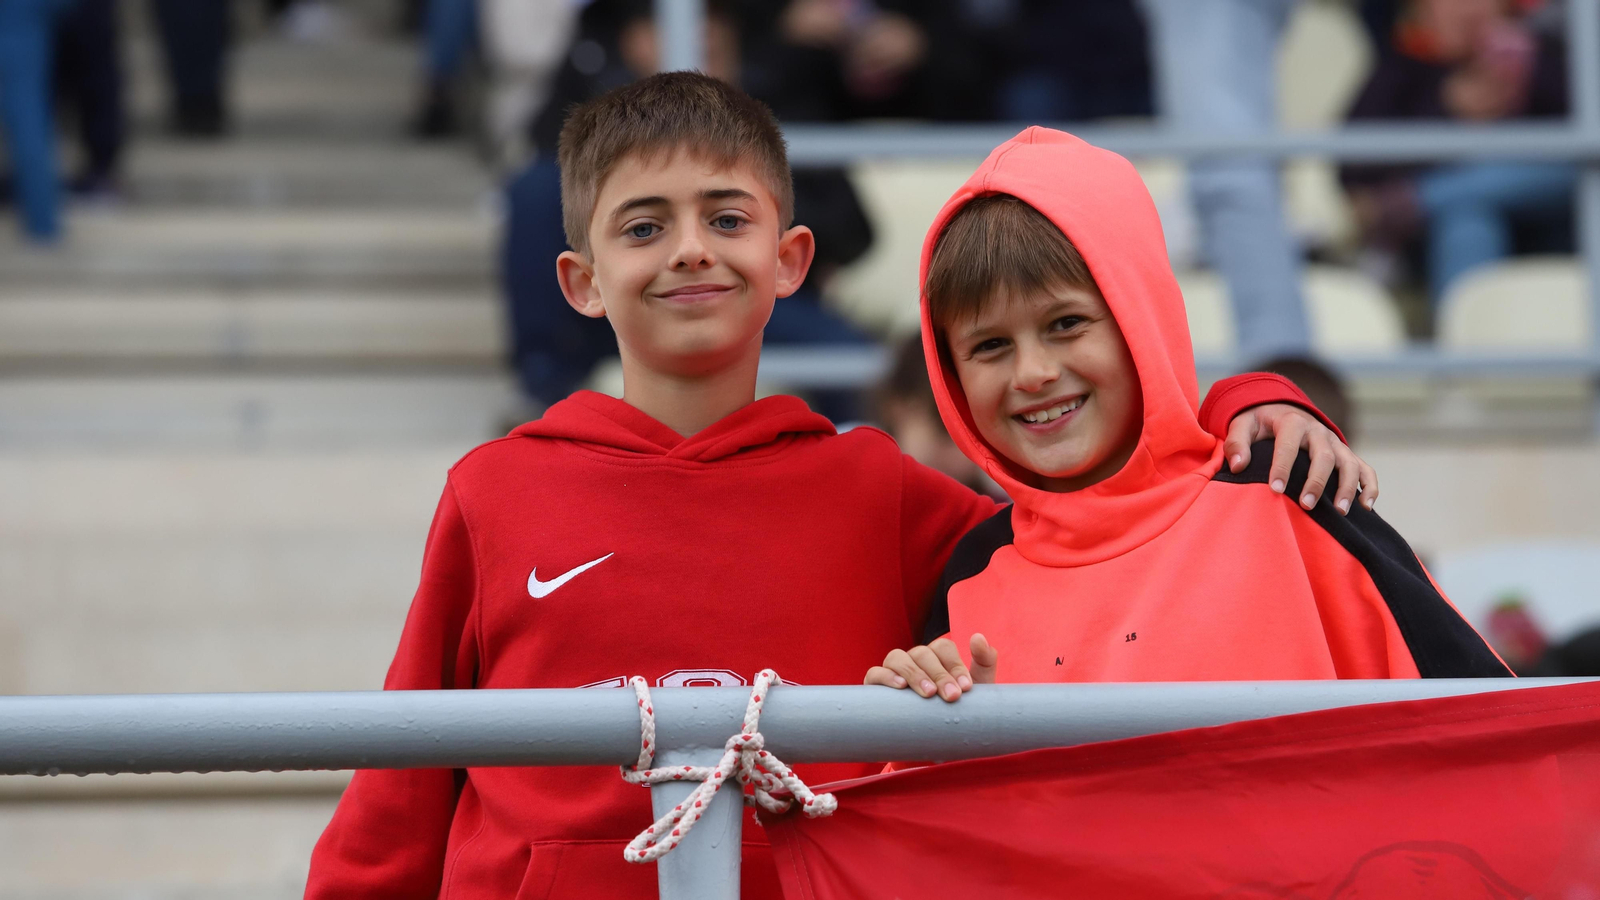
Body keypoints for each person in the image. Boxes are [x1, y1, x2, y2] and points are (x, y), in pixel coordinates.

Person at [305, 75, 1370, 899]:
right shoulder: (494, 491)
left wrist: (1247, 402)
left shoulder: (883, 491)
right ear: (581, 280)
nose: (689, 252)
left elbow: (1089, 517)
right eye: (643, 227)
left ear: (791, 257)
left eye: (728, 219)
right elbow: (401, 789)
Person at [864, 127, 1508, 702]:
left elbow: (1492, 728)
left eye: (1067, 323)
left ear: (1142, 320)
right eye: (990, 346)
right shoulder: (968, 575)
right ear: (949, 373)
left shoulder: (1287, 485)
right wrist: (918, 732)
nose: (1032, 372)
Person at [1342, 0, 1573, 305]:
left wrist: (1526, 68)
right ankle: (1471, 343)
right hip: (1441, 237)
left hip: (1558, 228)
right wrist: (1447, 109)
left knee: (1563, 165)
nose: (1467, 10)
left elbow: (1582, 138)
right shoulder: (1406, 65)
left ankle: (1414, 201)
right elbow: (1352, 164)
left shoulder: (1540, 52)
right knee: (1467, 219)